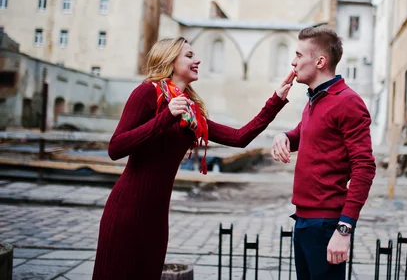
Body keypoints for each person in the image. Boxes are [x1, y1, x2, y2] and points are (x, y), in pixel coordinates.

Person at [93, 37, 295, 280]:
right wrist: (166, 116)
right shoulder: (147, 93)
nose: (197, 60)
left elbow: (239, 137)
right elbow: (116, 148)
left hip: (156, 218)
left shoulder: (190, 111)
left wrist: (276, 100)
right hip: (127, 211)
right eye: (189, 56)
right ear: (169, 60)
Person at [271, 26, 376, 280]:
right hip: (304, 220)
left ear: (320, 61)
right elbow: (304, 132)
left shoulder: (347, 102)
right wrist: (284, 136)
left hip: (326, 224)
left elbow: (365, 167)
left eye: (298, 55)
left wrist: (344, 228)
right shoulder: (315, 99)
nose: (293, 62)